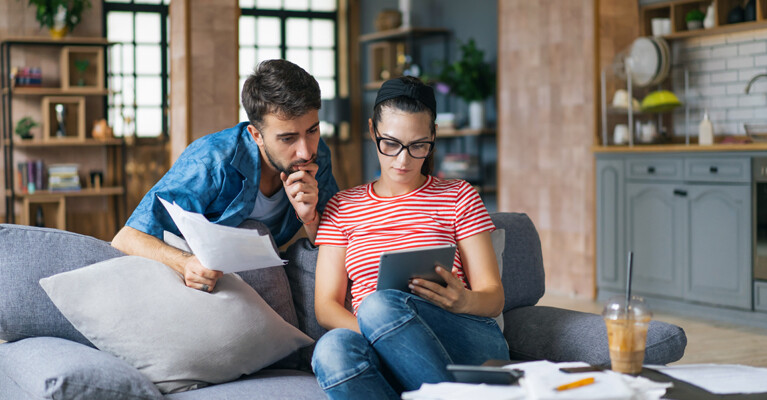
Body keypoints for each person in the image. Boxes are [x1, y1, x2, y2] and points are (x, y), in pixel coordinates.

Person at [311, 76, 509, 399]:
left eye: (418, 146)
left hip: (462, 335)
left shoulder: (459, 196)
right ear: (373, 130)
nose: (403, 160)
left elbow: (494, 296)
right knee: (331, 349)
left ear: (433, 137)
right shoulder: (342, 207)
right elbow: (325, 306)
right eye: (390, 143)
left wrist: (465, 301)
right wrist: (383, 336)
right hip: (376, 337)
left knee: (376, 307)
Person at [111, 59, 339, 293]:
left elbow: (336, 239)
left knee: (320, 259)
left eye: (312, 130)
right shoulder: (211, 160)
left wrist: (310, 218)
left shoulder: (317, 154)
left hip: (265, 265)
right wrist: (185, 263)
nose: (306, 151)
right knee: (252, 230)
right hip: (202, 274)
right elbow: (127, 238)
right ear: (256, 135)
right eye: (288, 138)